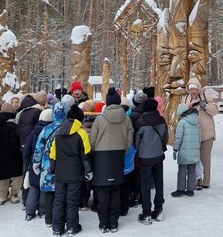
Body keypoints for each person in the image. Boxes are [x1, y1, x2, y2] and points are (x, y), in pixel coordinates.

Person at [90, 87, 133, 233]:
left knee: (102, 191)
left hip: (101, 158)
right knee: (115, 190)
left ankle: (103, 224)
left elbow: (92, 140)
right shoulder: (126, 119)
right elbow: (129, 139)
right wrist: (123, 150)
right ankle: (113, 223)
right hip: (118, 156)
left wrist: (94, 152)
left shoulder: (99, 119)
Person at [50, 104, 92, 236]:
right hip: (75, 172)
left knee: (58, 200)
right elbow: (86, 154)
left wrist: (53, 170)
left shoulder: (58, 132)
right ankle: (72, 227)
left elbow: (53, 154)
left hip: (60, 173)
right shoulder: (82, 133)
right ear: (79, 119)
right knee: (72, 200)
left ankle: (57, 228)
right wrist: (89, 171)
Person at [33, 101, 69, 228]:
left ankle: (49, 219)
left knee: (49, 194)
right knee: (62, 194)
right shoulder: (69, 128)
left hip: (47, 167)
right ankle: (61, 217)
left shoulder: (46, 129)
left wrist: (36, 163)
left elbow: (39, 148)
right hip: (64, 167)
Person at [134, 98, 168, 224]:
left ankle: (146, 212)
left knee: (145, 184)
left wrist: (139, 152)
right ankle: (158, 210)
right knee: (159, 183)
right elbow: (165, 137)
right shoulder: (162, 120)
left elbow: (137, 141)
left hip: (145, 157)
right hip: (158, 155)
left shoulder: (140, 123)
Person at [185, 77, 218, 190]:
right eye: (191, 89)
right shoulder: (187, 98)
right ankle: (196, 179)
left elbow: (215, 111)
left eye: (195, 88)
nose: (193, 91)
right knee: (195, 158)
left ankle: (206, 181)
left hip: (206, 133)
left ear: (198, 88)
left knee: (205, 157)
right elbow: (182, 112)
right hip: (193, 133)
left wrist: (205, 106)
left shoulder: (205, 96)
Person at [23, 107, 53, 220]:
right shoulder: (52, 131)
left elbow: (27, 149)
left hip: (33, 162)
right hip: (47, 163)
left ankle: (29, 211)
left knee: (34, 187)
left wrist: (28, 163)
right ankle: (42, 210)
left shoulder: (33, 131)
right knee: (44, 187)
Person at [0, 102, 24, 205]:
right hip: (13, 155)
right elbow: (15, 142)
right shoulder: (13, 126)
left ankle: (2, 195)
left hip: (0, 155)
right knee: (16, 175)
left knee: (2, 176)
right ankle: (14, 195)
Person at [171, 103, 201, 197]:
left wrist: (175, 149)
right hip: (195, 151)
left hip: (184, 152)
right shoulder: (197, 121)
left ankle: (180, 190)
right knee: (192, 170)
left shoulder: (182, 122)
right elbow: (200, 137)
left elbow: (178, 138)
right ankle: (190, 190)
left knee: (182, 170)